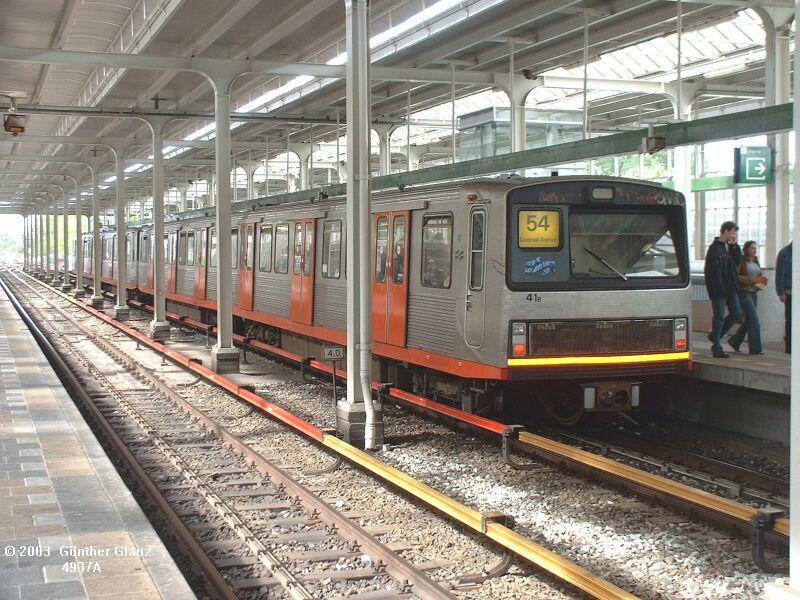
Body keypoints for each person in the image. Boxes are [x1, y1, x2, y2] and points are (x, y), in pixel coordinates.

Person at [704, 221, 743, 358]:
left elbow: (738, 261)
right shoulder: (714, 249)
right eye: (732, 232)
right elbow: (712, 272)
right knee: (719, 316)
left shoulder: (730, 247)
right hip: (719, 289)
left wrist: (734, 246)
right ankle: (716, 346)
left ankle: (715, 335)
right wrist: (718, 288)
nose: (734, 235)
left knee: (736, 313)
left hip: (731, 287)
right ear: (725, 231)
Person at [728, 241, 766, 354]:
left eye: (755, 248)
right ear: (747, 249)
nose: (755, 250)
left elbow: (759, 274)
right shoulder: (741, 261)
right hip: (744, 292)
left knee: (749, 319)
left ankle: (735, 341)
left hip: (754, 292)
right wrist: (750, 280)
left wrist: (761, 282)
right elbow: (735, 276)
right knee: (754, 320)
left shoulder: (756, 260)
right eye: (752, 248)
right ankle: (755, 349)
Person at [776, 241, 792, 354]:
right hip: (789, 292)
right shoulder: (785, 253)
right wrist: (780, 292)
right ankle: (789, 347)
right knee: (790, 321)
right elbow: (779, 274)